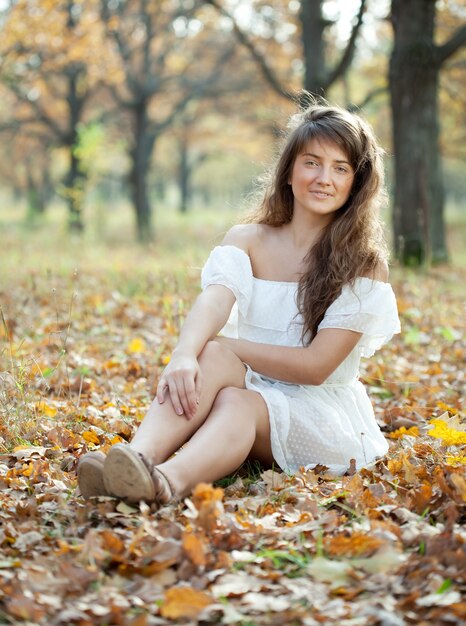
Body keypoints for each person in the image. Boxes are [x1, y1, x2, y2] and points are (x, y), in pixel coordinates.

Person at [77, 101, 400, 505]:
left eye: (340, 168)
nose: (323, 178)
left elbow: (316, 367)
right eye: (312, 162)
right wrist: (183, 354)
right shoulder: (248, 240)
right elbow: (214, 301)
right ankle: (135, 463)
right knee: (209, 356)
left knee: (232, 385)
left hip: (322, 415)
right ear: (289, 171)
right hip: (254, 389)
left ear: (356, 182)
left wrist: (227, 346)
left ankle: (163, 484)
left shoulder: (364, 265)